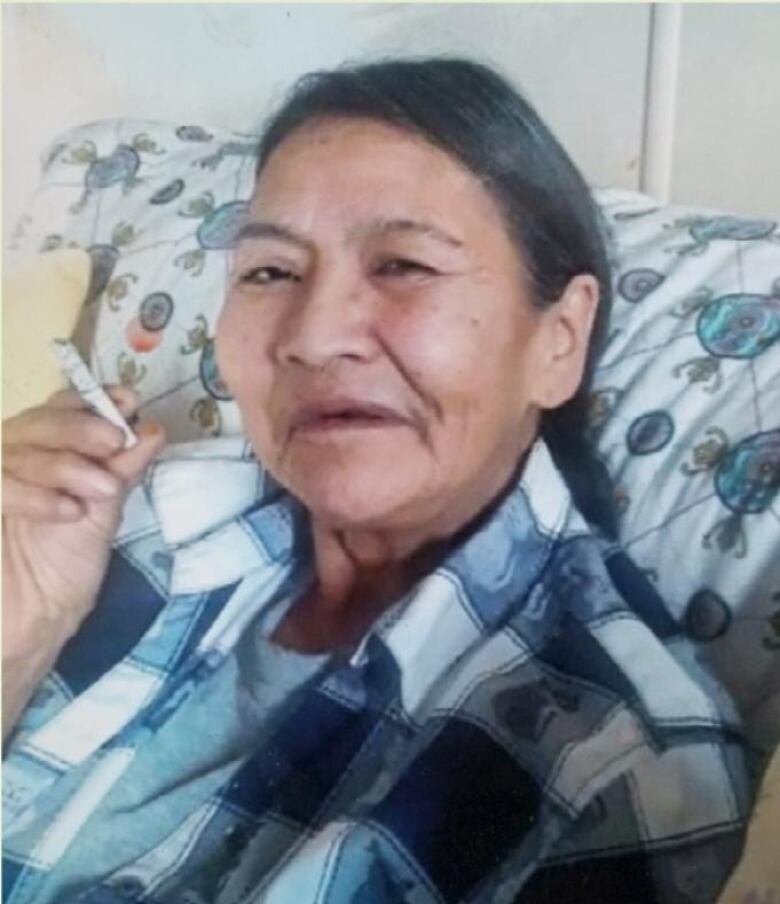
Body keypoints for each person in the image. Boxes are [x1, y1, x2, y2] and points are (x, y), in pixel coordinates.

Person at [2, 59, 749, 903]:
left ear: (559, 340)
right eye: (271, 272)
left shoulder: (616, 762)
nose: (313, 338)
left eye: (402, 265)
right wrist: (24, 624)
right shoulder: (121, 523)